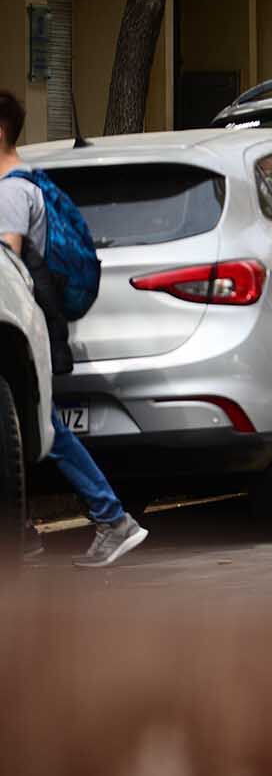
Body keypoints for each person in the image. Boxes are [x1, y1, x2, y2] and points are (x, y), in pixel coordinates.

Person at [0, 91, 147, 567]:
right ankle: (24, 532)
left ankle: (112, 519)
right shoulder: (23, 183)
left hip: (19, 323)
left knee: (44, 427)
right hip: (27, 323)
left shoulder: (8, 191)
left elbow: (6, 256)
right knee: (29, 426)